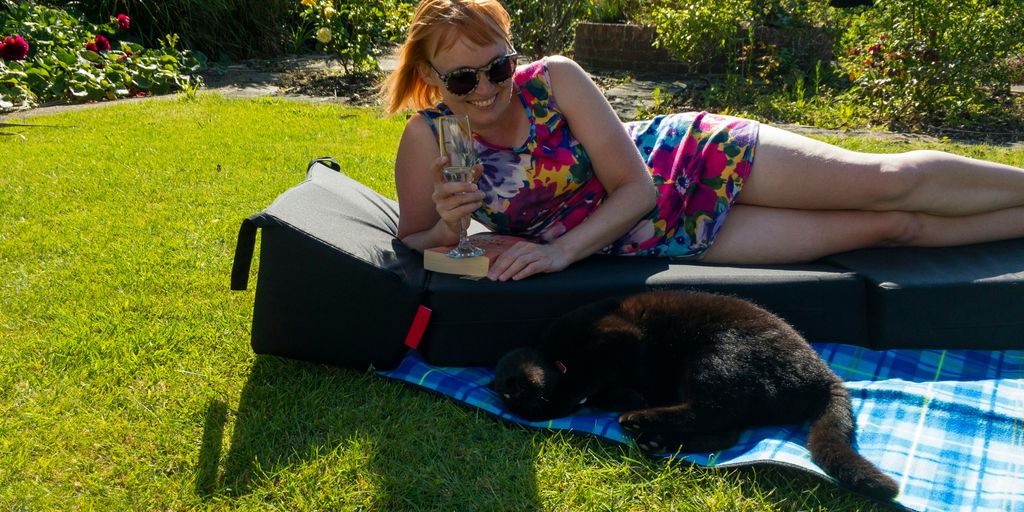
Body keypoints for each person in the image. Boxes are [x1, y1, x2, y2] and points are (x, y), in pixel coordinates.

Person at [383, 0, 1024, 282]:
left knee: (886, 184)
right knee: (891, 228)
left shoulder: (554, 80)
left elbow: (635, 188)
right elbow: (414, 242)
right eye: (463, 78)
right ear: (430, 78)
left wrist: (559, 254)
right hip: (658, 236)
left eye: (498, 66)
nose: (487, 89)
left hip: (690, 159)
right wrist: (450, 227)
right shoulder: (429, 138)